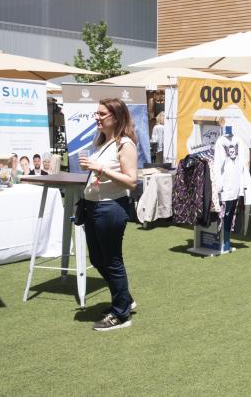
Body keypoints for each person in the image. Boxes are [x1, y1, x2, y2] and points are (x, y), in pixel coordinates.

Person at [78, 98, 139, 331]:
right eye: (97, 113)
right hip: (93, 206)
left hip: (110, 207)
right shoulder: (103, 141)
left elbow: (132, 181)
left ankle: (122, 314)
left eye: (102, 114)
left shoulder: (125, 144)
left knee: (112, 261)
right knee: (97, 259)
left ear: (117, 116)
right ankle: (124, 298)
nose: (97, 117)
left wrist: (100, 168)